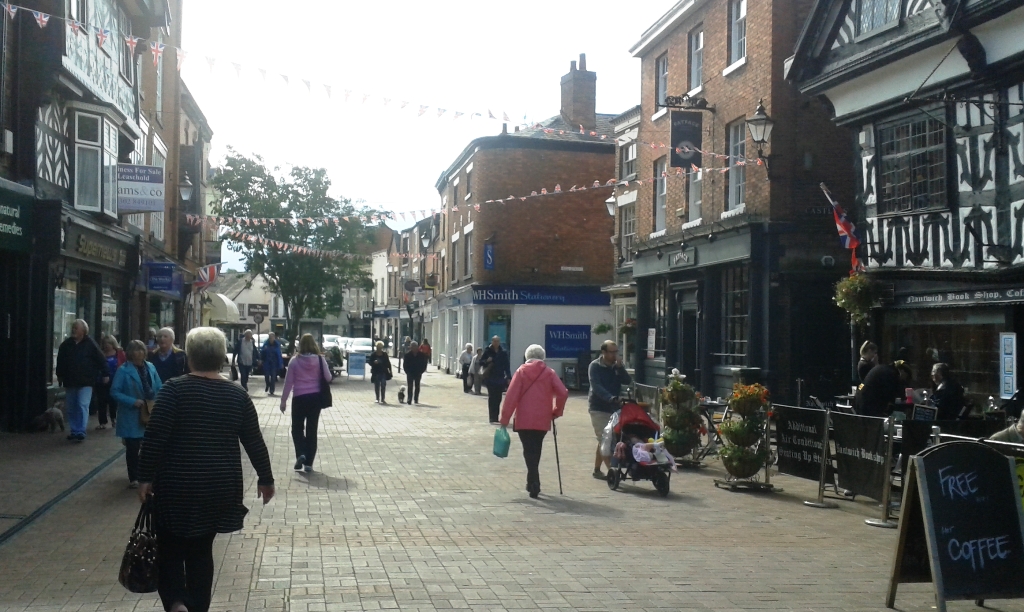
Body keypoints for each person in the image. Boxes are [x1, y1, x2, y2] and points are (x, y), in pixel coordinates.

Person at [136, 327, 274, 612]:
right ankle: (198, 607)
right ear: (222, 357)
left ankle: (176, 603)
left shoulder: (173, 390)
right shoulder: (237, 396)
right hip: (218, 485)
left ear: (190, 357)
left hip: (175, 484)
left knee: (170, 549)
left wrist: (145, 477)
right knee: (201, 551)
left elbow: (155, 437)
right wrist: (265, 478)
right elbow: (253, 440)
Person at [499, 344, 568, 498]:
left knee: (528, 450)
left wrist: (504, 419)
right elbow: (563, 393)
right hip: (543, 418)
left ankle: (534, 481)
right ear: (542, 357)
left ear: (527, 356)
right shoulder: (549, 373)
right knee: (536, 449)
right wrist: (557, 411)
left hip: (524, 418)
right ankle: (532, 481)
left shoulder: (521, 372)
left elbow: (511, 397)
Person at [110, 340, 162, 488]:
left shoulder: (150, 367)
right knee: (132, 447)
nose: (139, 353)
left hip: (149, 412)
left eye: (141, 350)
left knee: (148, 447)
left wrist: (159, 401)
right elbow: (114, 391)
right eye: (135, 351)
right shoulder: (123, 370)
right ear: (130, 354)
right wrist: (132, 401)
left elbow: (159, 386)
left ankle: (148, 474)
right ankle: (134, 477)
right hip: (131, 414)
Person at [279, 334, 333, 473]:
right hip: (315, 398)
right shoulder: (320, 359)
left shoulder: (294, 361)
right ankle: (309, 463)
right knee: (312, 430)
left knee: (296, 428)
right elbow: (328, 377)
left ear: (300, 345)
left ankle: (301, 453)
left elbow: (288, 383)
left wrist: (283, 401)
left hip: (299, 398)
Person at [55, 319, 108, 441]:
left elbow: (101, 359)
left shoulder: (91, 344)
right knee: (71, 406)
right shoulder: (66, 345)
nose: (73, 330)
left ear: (83, 331)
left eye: (76, 328)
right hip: (70, 381)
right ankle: (74, 430)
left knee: (82, 404)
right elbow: (60, 361)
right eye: (73, 327)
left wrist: (105, 373)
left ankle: (81, 430)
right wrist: (59, 375)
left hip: (86, 381)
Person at [588, 340, 632, 479]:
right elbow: (596, 386)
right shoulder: (595, 366)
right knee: (604, 439)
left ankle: (596, 470)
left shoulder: (616, 366)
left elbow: (627, 381)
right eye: (612, 352)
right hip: (598, 407)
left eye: (616, 352)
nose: (615, 355)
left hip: (614, 408)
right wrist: (610, 398)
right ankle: (612, 471)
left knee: (605, 439)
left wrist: (620, 368)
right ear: (604, 352)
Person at [95, 336, 126, 430]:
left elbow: (125, 365)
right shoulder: (100, 354)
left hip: (115, 381)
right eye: (104, 344)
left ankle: (114, 419)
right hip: (101, 381)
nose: (106, 346)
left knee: (113, 401)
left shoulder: (119, 354)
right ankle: (102, 422)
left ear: (113, 344)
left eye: (108, 344)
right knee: (101, 402)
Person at [481, 336, 511, 423]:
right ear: (492, 342)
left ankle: (496, 416)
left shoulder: (503, 352)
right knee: (492, 397)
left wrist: (509, 377)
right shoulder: (487, 351)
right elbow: (481, 362)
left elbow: (506, 366)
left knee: (498, 398)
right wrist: (487, 360)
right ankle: (492, 417)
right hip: (490, 378)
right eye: (494, 341)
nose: (496, 343)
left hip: (500, 378)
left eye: (497, 341)